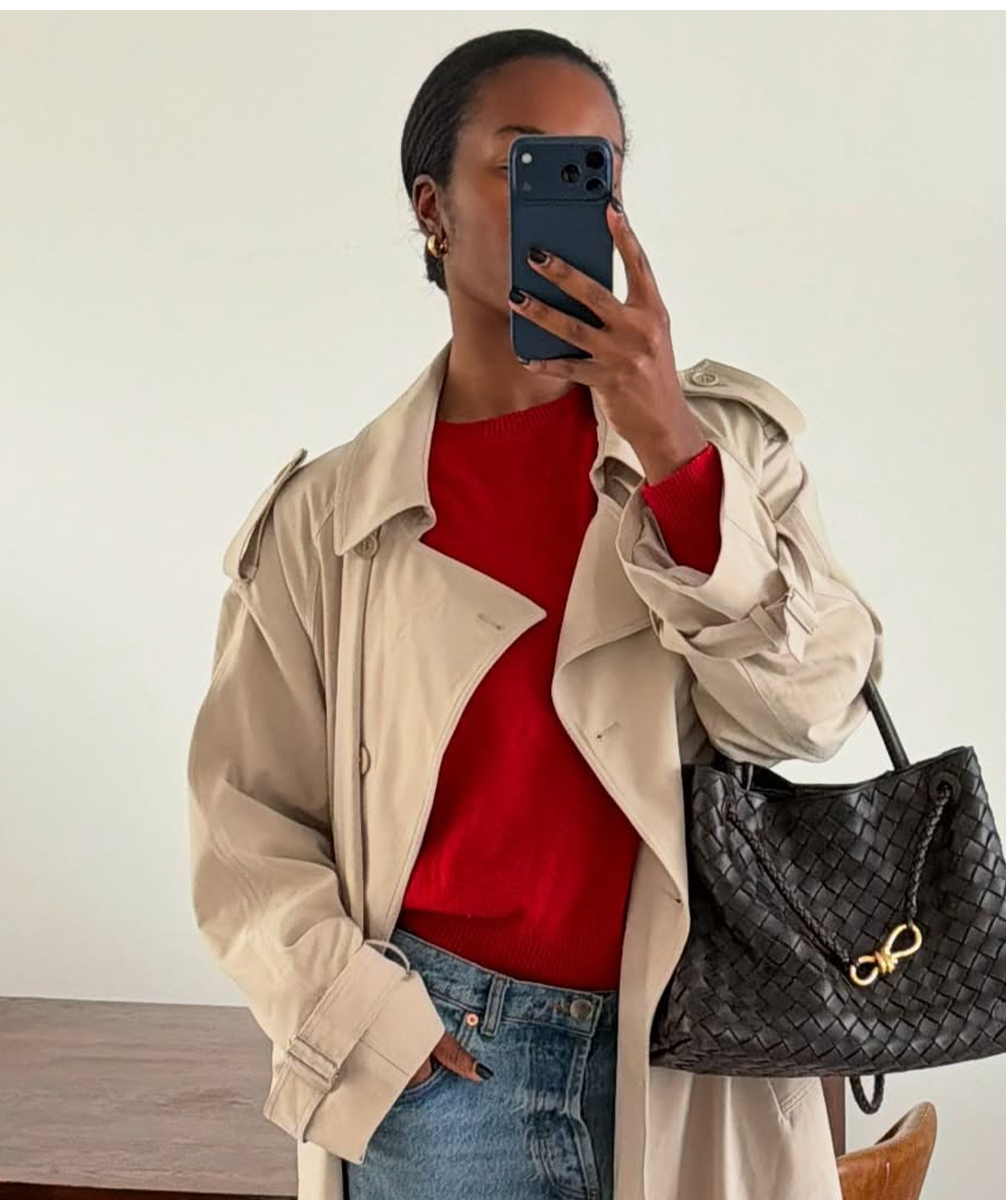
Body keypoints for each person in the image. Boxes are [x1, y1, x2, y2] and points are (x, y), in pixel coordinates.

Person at [187, 26, 882, 1200]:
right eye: (523, 162)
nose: (568, 192)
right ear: (432, 208)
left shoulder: (725, 455)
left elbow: (809, 715)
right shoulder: (327, 520)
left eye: (595, 167)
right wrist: (363, 1024)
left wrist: (673, 448)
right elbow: (242, 817)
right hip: (447, 1070)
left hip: (699, 1047)